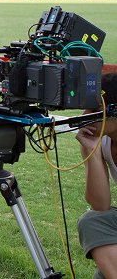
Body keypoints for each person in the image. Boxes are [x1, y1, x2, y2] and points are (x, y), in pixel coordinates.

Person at [76, 71, 117, 279]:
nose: (85, 116)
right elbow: (99, 205)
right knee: (92, 222)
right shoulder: (102, 141)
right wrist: (92, 151)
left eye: (95, 110)